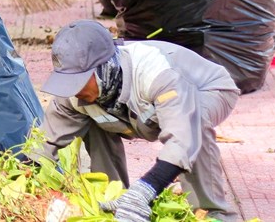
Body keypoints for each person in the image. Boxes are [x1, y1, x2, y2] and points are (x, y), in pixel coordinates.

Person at [40, 20, 240, 222]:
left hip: (206, 90)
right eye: (68, 81)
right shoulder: (74, 95)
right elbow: (44, 144)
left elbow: (182, 137)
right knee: (87, 113)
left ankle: (213, 211)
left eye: (79, 80)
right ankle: (113, 200)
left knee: (194, 123)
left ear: (104, 69)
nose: (74, 89)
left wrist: (147, 187)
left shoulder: (154, 72)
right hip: (142, 114)